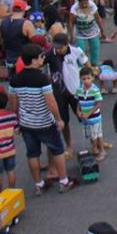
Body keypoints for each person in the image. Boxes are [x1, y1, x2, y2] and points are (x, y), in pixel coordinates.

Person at [9, 43, 74, 194]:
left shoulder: (15, 79)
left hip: (26, 123)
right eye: (40, 57)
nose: (43, 58)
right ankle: (63, 181)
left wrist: (17, 121)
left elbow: (14, 103)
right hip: (45, 121)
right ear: (33, 60)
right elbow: (51, 101)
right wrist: (58, 119)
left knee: (32, 153)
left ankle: (38, 184)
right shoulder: (43, 78)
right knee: (57, 150)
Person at [76, 66, 105, 161]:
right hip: (85, 118)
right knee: (90, 134)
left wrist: (89, 113)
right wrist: (78, 111)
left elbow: (99, 104)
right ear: (80, 79)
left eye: (88, 78)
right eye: (83, 79)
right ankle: (95, 149)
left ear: (92, 78)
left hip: (94, 117)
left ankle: (101, 150)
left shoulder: (95, 90)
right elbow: (78, 101)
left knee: (97, 135)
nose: (86, 81)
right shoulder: (79, 90)